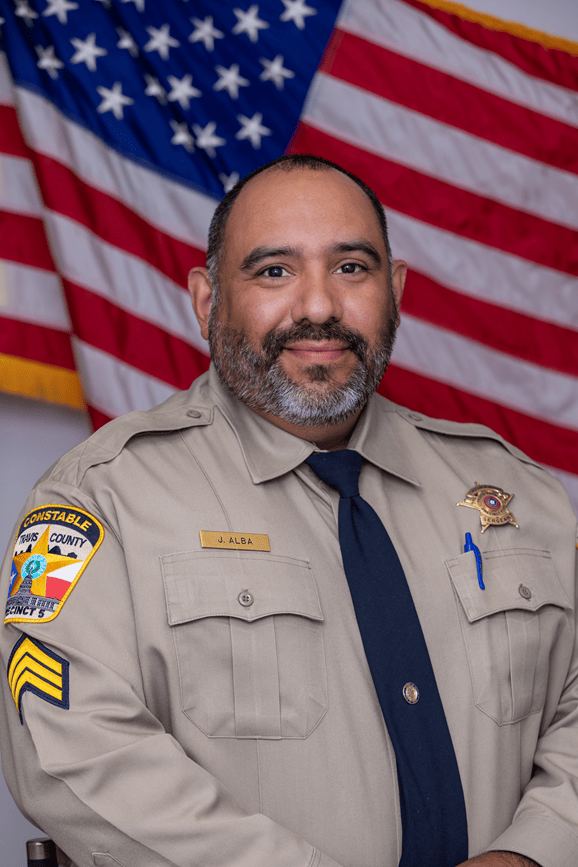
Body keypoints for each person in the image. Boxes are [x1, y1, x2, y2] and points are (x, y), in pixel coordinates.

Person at [1, 154, 576, 867]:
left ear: (394, 291)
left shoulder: (519, 493)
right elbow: (73, 753)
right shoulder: (100, 499)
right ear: (208, 300)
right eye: (274, 270)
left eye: (352, 268)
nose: (318, 307)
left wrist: (533, 851)